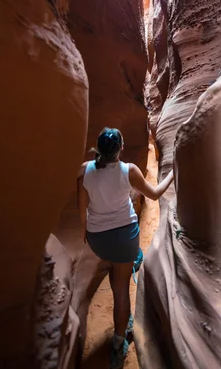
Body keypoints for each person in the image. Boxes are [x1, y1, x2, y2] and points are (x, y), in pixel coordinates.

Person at [77, 127, 174, 369]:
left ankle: (128, 260)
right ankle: (119, 342)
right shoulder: (128, 171)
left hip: (98, 240)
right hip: (123, 239)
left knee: (115, 268)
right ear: (121, 148)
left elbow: (82, 211)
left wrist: (87, 232)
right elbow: (153, 194)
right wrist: (171, 174)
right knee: (120, 290)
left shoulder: (84, 170)